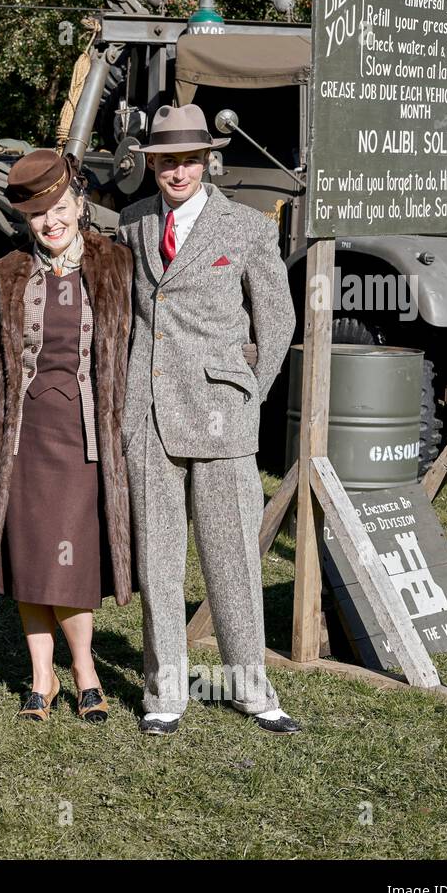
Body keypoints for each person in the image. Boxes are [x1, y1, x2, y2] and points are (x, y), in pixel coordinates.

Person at [0, 150, 134, 721]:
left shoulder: (117, 268)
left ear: (80, 204)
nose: (51, 222)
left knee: (76, 561)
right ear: (25, 221)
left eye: (60, 209)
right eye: (39, 216)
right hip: (20, 442)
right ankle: (42, 676)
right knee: (32, 559)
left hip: (87, 440)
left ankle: (85, 670)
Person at [116, 104, 301, 735]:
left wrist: (250, 392)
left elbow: (277, 320)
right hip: (148, 413)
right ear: (152, 164)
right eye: (167, 160)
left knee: (233, 560)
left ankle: (252, 685)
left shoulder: (246, 228)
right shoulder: (135, 222)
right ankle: (165, 690)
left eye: (189, 159)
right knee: (158, 561)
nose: (178, 171)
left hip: (223, 416)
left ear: (207, 161)